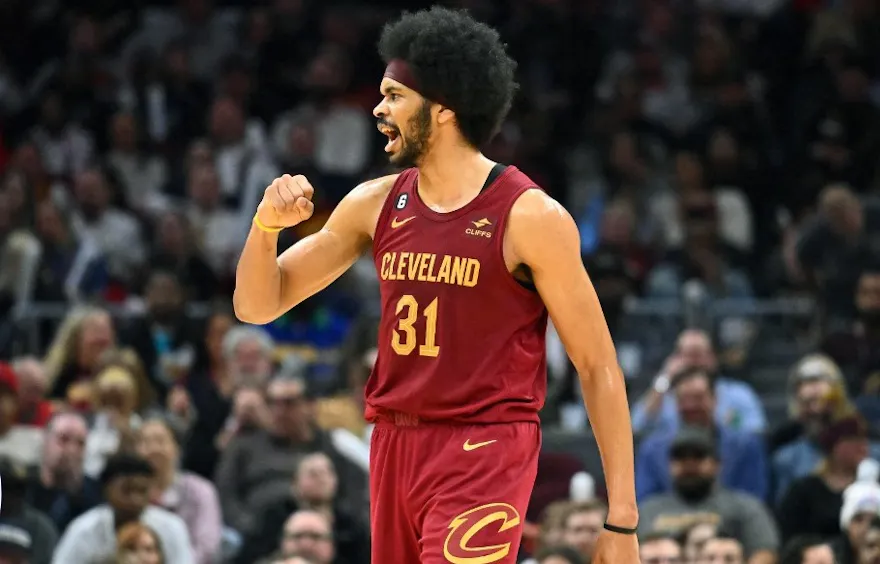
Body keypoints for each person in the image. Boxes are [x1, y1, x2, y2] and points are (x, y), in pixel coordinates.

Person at [233, 6, 638, 564]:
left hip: (485, 444)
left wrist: (622, 519)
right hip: (395, 444)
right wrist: (264, 229)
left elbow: (598, 367)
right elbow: (257, 305)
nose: (378, 108)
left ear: (443, 108)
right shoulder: (373, 203)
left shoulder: (529, 216)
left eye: (394, 95)